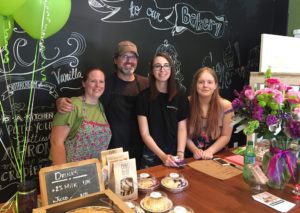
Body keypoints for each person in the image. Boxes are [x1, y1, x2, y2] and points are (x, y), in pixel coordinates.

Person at [56, 41, 148, 168]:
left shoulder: (146, 84)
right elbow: (85, 96)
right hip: (114, 153)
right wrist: (60, 101)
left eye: (133, 57)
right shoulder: (106, 84)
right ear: (115, 60)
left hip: (142, 150)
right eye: (124, 56)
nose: (129, 61)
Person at [136, 52, 189, 168]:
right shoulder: (143, 98)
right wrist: (163, 156)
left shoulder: (181, 97)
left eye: (166, 65)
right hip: (151, 155)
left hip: (175, 155)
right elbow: (145, 134)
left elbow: (182, 129)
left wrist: (180, 153)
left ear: (171, 69)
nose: (162, 69)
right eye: (157, 66)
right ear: (152, 70)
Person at [50, 67, 111, 164]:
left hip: (94, 171)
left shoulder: (101, 107)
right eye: (93, 81)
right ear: (84, 83)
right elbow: (56, 142)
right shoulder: (71, 105)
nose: (97, 85)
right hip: (73, 172)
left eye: (101, 82)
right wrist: (63, 174)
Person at [186, 67, 234, 160]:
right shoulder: (186, 103)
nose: (205, 85)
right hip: (191, 156)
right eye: (201, 82)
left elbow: (226, 136)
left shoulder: (227, 106)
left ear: (215, 85)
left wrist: (210, 151)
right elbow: (183, 134)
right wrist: (195, 150)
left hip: (217, 155)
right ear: (195, 85)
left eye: (209, 82)